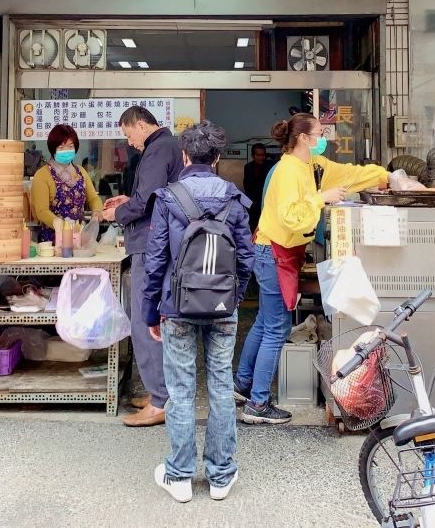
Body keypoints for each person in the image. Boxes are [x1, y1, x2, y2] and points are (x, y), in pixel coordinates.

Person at [235, 112, 389, 424]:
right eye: (319, 133)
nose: (323, 138)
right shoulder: (288, 170)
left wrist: (384, 175)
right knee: (276, 328)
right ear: (304, 138)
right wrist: (321, 199)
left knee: (265, 323)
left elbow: (346, 174)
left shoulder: (311, 165)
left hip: (274, 251)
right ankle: (258, 404)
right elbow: (293, 216)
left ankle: (242, 385)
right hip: (273, 253)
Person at [142, 121, 254, 503]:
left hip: (177, 307)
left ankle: (179, 476)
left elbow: (156, 260)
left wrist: (149, 312)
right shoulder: (233, 197)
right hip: (223, 307)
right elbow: (246, 257)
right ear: (218, 157)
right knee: (221, 388)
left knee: (181, 390)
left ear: (185, 155)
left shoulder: (168, 197)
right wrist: (234, 300)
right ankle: (221, 476)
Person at [102, 105, 184, 427]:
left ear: (139, 124)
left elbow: (146, 201)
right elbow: (151, 196)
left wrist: (116, 214)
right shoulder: (168, 147)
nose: (130, 141)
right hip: (159, 243)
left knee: (144, 318)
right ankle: (160, 392)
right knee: (154, 320)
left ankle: (161, 400)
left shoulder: (156, 148)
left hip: (149, 246)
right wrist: (128, 201)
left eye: (128, 133)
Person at [30, 124, 103, 243]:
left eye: (70, 146)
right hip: (53, 241)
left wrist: (97, 210)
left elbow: (94, 198)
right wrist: (65, 227)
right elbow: (42, 211)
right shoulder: (42, 175)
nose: (66, 151)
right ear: (53, 149)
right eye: (61, 147)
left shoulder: (81, 172)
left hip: (79, 238)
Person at [242, 143, 272, 231]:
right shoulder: (248, 167)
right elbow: (246, 185)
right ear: (252, 156)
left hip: (266, 203)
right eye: (258, 155)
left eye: (263, 155)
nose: (261, 157)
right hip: (252, 205)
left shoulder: (270, 166)